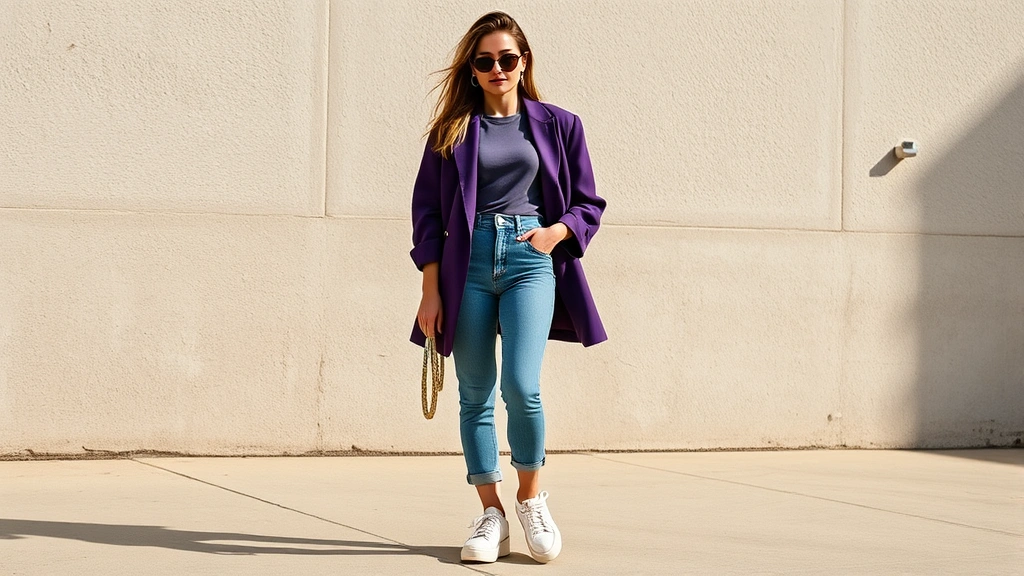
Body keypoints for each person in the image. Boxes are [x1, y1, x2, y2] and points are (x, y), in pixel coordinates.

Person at [409, 10, 607, 564]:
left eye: (507, 58)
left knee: (522, 386)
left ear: (524, 63)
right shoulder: (451, 132)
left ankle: (530, 498)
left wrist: (556, 232)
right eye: (485, 61)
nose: (497, 68)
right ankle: (490, 513)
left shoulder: (560, 125)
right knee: (473, 394)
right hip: (464, 266)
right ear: (472, 70)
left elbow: (588, 203)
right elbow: (426, 213)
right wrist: (430, 288)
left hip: (528, 258)